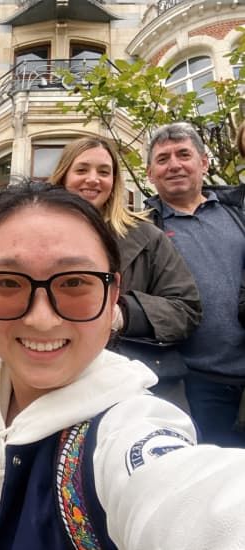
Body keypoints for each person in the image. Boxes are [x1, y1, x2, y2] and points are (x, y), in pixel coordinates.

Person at [0, 182, 245, 550]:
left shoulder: (121, 435)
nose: (41, 319)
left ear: (113, 295)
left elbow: (200, 504)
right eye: (7, 282)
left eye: (74, 283)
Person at [50, 136, 201, 407]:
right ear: (63, 176)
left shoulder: (147, 237)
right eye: (82, 169)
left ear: (114, 181)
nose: (93, 179)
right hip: (55, 380)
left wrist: (123, 313)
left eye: (103, 171)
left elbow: (186, 309)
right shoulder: (36, 236)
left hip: (137, 387)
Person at [145, 122, 245, 447]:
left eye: (184, 154)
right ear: (150, 174)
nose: (174, 165)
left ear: (204, 162)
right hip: (193, 383)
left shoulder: (237, 214)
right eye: (163, 159)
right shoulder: (142, 230)